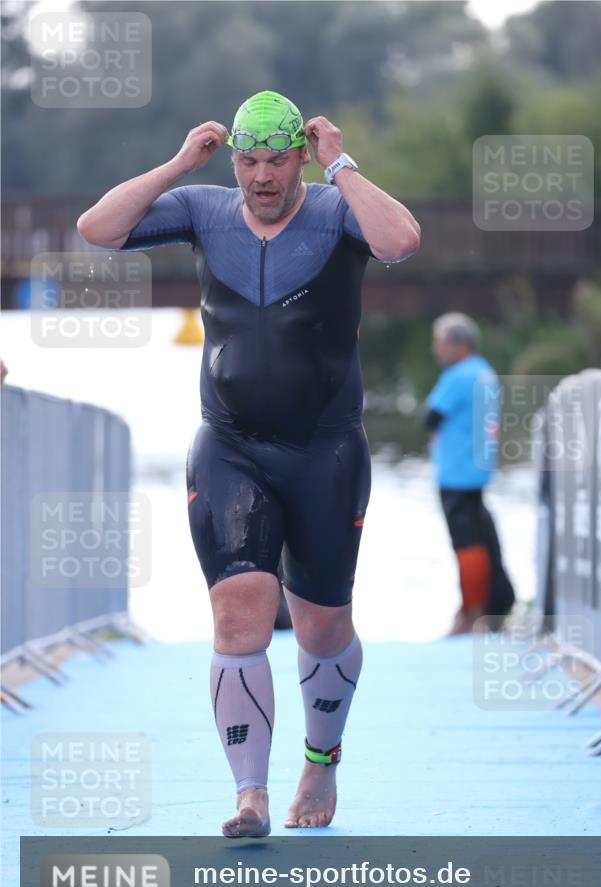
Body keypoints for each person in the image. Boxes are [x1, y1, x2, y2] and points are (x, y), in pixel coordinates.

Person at [78, 91, 420, 836]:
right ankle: (249, 796)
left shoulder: (337, 211)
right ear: (231, 155)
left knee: (322, 624)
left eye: (275, 158)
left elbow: (399, 240)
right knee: (239, 614)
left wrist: (344, 165)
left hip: (326, 449)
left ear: (299, 154)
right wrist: (177, 163)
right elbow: (97, 229)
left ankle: (320, 760)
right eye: (247, 159)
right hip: (230, 445)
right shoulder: (203, 209)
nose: (260, 176)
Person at [423, 312, 514, 635]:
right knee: (479, 537)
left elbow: (430, 417)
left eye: (440, 342)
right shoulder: (484, 372)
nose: (436, 348)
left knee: (466, 542)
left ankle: (472, 612)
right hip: (476, 470)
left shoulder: (460, 375)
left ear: (458, 344)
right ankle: (488, 607)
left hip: (457, 473)